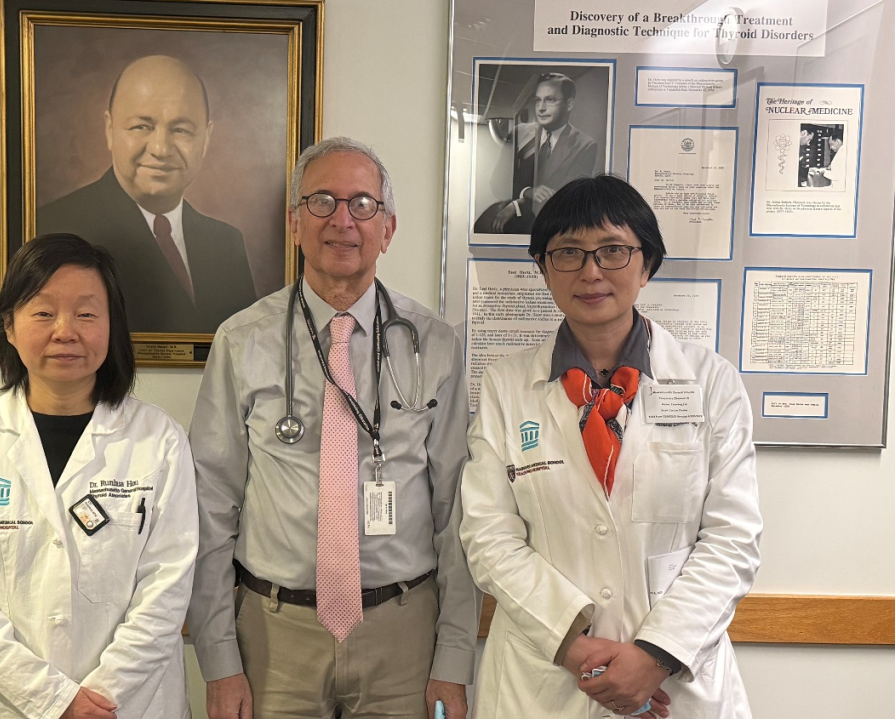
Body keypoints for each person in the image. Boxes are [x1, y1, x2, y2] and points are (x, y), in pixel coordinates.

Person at [187, 137, 480, 719]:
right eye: (322, 201)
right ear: (294, 223)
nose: (342, 220)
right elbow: (209, 507)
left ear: (388, 229)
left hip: (404, 636)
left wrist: (453, 660)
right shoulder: (242, 341)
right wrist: (219, 661)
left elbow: (457, 512)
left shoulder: (435, 344)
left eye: (362, 204)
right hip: (274, 638)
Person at [460, 175, 762, 718]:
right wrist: (574, 647)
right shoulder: (506, 387)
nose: (591, 271)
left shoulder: (711, 382)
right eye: (568, 253)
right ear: (543, 268)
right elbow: (488, 536)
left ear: (647, 265)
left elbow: (732, 538)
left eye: (613, 251)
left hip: (676, 681)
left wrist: (655, 655)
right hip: (546, 677)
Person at [0, 234, 198, 719]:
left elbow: (167, 586)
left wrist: (98, 699)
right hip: (0, 704)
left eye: (86, 314)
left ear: (112, 326)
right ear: (9, 325)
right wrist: (52, 701)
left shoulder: (160, 440)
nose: (65, 331)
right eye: (44, 312)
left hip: (127, 703)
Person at [37, 55, 258, 334]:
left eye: (181, 130)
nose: (160, 149)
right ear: (110, 130)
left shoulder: (226, 244)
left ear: (206, 139)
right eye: (141, 126)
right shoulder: (54, 227)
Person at [474, 72, 599, 235]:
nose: (541, 108)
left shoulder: (585, 145)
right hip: (511, 226)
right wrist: (527, 192)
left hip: (551, 229)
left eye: (550, 100)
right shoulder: (519, 133)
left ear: (569, 104)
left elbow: (568, 199)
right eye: (538, 100)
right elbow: (498, 183)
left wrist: (517, 205)